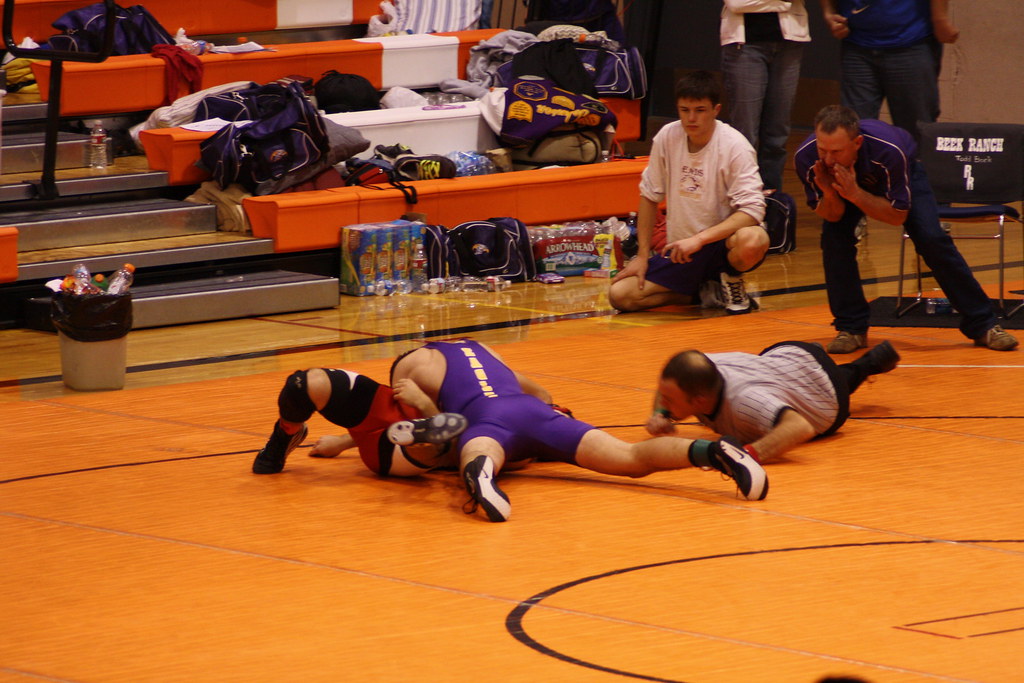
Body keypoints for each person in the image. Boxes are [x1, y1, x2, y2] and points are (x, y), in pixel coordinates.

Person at [387, 339, 769, 523]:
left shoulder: (407, 372)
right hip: (535, 413)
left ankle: (482, 477)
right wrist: (548, 424)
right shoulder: (483, 349)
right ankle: (711, 452)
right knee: (629, 456)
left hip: (488, 419)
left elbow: (436, 438)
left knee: (473, 450)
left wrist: (422, 402)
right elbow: (542, 393)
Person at [793, 104, 1018, 353]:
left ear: (857, 143)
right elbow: (832, 215)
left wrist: (856, 193)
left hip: (905, 174)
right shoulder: (807, 158)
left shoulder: (889, 150)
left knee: (932, 239)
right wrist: (828, 192)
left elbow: (896, 217)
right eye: (822, 149)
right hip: (846, 187)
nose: (827, 159)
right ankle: (851, 328)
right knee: (834, 242)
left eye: (836, 151)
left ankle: (984, 325)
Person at [609, 70, 769, 316]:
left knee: (753, 239)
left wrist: (700, 239)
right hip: (681, 250)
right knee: (621, 296)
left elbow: (753, 210)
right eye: (685, 110)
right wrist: (641, 255)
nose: (691, 118)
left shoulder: (735, 145)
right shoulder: (667, 136)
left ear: (716, 110)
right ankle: (705, 292)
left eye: (700, 110)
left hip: (721, 245)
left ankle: (732, 278)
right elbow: (649, 196)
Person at [648, 339, 899, 463]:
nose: (664, 401)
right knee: (775, 380)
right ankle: (846, 361)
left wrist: (746, 456)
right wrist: (659, 412)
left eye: (669, 400)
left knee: (838, 381)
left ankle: (867, 365)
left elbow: (799, 427)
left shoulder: (744, 401)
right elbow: (669, 382)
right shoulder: (699, 369)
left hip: (825, 392)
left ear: (700, 400)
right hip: (786, 353)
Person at [251, 367, 468, 477]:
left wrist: (423, 402)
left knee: (431, 445)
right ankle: (285, 434)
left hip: (397, 450)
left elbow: (457, 447)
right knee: (302, 385)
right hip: (387, 411)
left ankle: (421, 434)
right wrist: (343, 442)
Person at [819, 0, 958, 145]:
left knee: (916, 130)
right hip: (856, 44)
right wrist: (829, 13)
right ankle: (861, 168)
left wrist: (940, 19)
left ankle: (916, 167)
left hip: (911, 41)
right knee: (853, 128)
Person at [720, 0, 811, 193]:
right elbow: (737, 3)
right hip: (744, 46)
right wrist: (784, 2)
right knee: (744, 135)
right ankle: (742, 201)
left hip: (789, 44)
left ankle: (771, 204)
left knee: (777, 135)